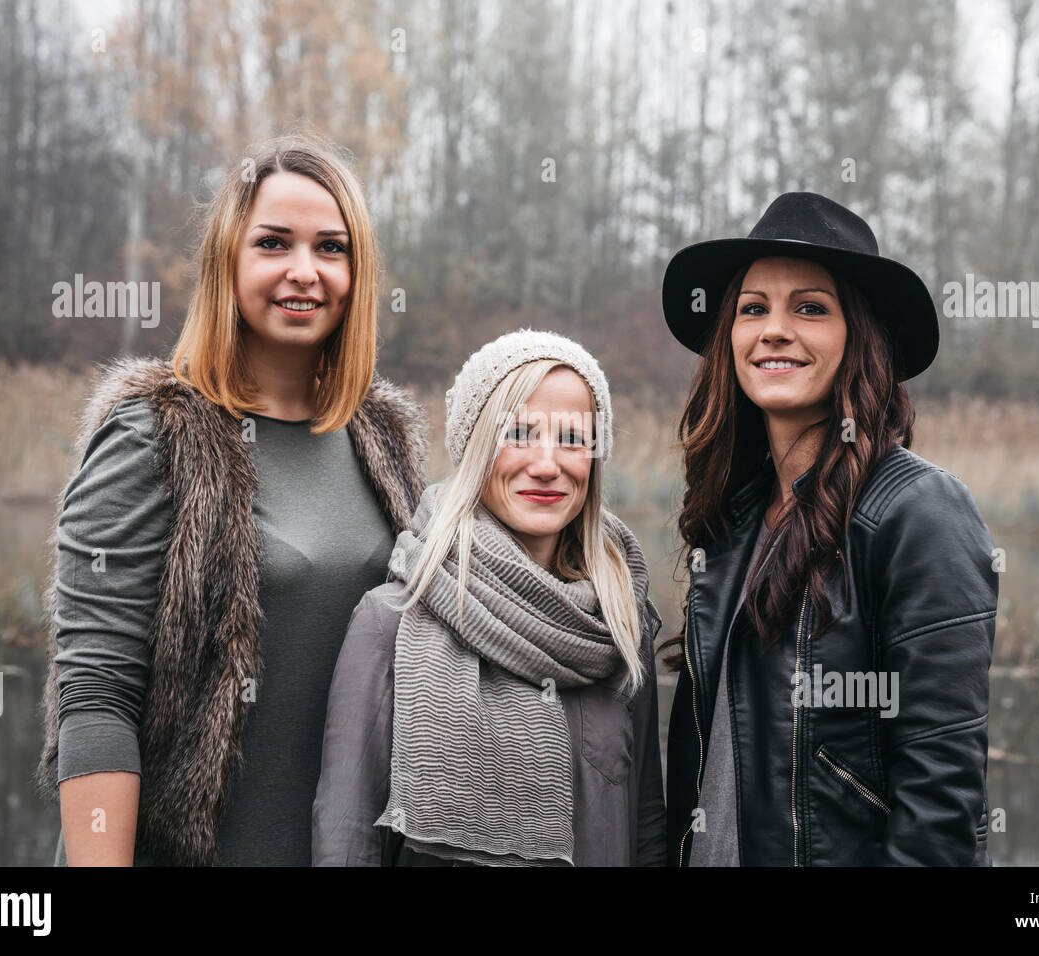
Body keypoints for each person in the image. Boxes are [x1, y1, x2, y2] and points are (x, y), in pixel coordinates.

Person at [35, 132, 428, 866]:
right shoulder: (155, 434)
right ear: (228, 260)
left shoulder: (383, 437)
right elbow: (95, 695)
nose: (304, 272)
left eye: (331, 248)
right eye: (274, 243)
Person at [660, 192, 998, 866]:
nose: (774, 329)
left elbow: (941, 809)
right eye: (753, 308)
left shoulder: (918, 514)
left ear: (858, 337)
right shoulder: (732, 521)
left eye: (810, 308)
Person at [312, 330, 666, 866]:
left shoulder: (618, 627)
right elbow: (346, 836)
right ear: (476, 449)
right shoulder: (390, 621)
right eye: (518, 433)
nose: (547, 464)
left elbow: (646, 828)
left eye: (573, 438)